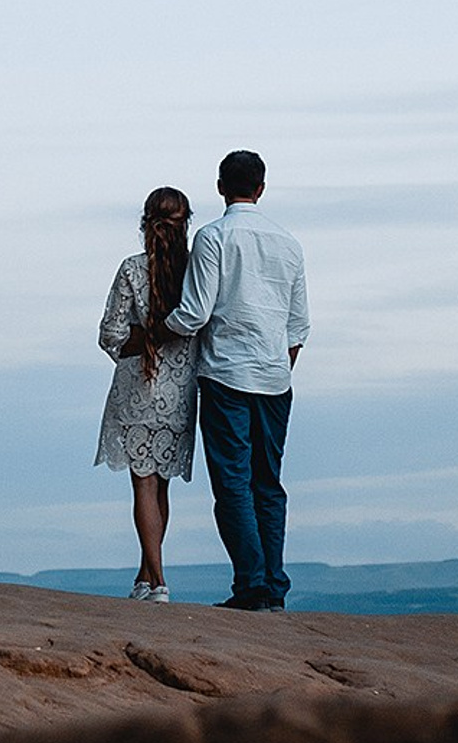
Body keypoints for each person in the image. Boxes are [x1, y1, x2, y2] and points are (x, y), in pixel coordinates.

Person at [166, 149, 308, 611]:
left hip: (226, 374)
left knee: (232, 484)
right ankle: (273, 586)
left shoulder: (213, 237)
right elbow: (298, 327)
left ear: (220, 187)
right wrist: (276, 365)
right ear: (261, 188)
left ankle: (252, 585)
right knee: (268, 484)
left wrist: (156, 330)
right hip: (275, 380)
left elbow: (195, 312)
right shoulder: (289, 244)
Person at [94, 185, 198, 600]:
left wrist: (147, 337)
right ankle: (145, 577)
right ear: (186, 224)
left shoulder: (131, 269)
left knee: (144, 485)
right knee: (162, 486)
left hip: (138, 387)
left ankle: (157, 581)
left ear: (144, 223)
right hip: (180, 391)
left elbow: (111, 335)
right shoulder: (197, 272)